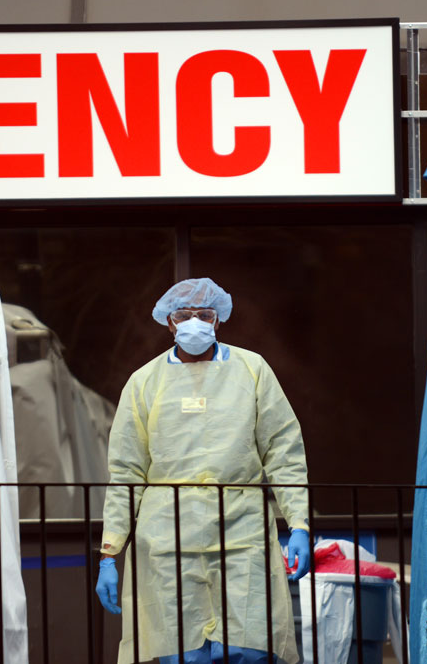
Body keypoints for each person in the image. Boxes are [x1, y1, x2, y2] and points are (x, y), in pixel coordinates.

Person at [95, 278, 311, 664]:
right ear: (168, 322)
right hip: (167, 536)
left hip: (241, 529)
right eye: (183, 314)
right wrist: (110, 550)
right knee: (183, 654)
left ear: (218, 318)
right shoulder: (145, 382)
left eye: (204, 314)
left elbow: (283, 449)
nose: (194, 322)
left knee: (249, 649)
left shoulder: (252, 370)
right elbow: (126, 470)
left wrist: (299, 523)